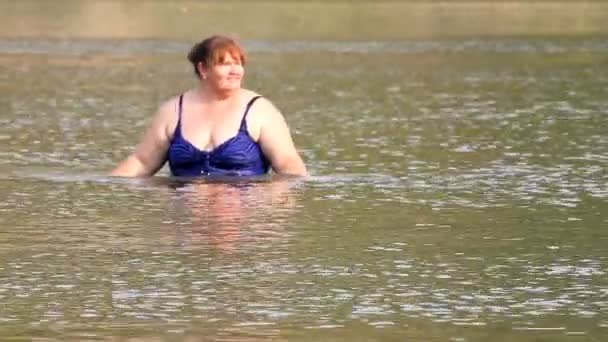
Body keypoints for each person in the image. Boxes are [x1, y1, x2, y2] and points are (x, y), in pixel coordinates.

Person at [111, 35, 307, 177]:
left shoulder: (261, 110)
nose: (234, 71)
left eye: (238, 63)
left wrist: (278, 211)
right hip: (187, 221)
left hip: (244, 223)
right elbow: (142, 162)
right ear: (203, 68)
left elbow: (289, 165)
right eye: (224, 64)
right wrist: (107, 188)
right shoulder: (172, 111)